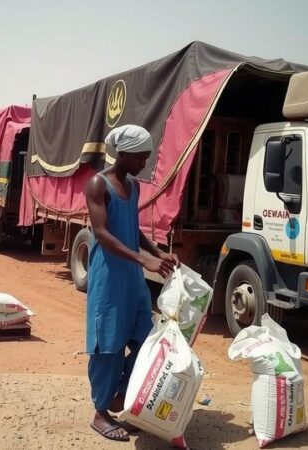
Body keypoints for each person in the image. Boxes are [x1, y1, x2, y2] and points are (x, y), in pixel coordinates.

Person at [85, 124, 179, 442]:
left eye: (146, 157)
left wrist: (157, 251)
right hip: (109, 279)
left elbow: (131, 228)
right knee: (108, 346)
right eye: (140, 157)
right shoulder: (98, 184)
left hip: (133, 281)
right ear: (122, 153)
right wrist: (144, 260)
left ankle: (120, 397)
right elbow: (102, 233)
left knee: (147, 341)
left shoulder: (134, 185)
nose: (143, 163)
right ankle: (100, 411)